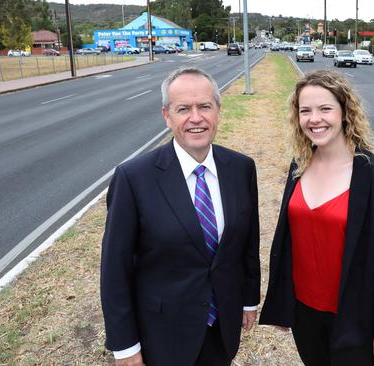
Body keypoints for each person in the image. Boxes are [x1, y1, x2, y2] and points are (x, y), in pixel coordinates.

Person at [100, 66, 261, 366]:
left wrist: (249, 298)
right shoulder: (133, 178)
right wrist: (125, 346)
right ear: (167, 116)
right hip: (162, 335)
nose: (196, 118)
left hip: (221, 325)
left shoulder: (240, 168)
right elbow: (114, 270)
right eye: (183, 109)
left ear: (218, 110)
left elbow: (248, 242)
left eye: (204, 107)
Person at [259, 69, 374, 365]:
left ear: (345, 112)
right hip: (304, 312)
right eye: (306, 111)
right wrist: (283, 302)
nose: (315, 119)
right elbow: (288, 242)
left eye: (325, 108)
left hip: (354, 317)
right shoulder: (299, 166)